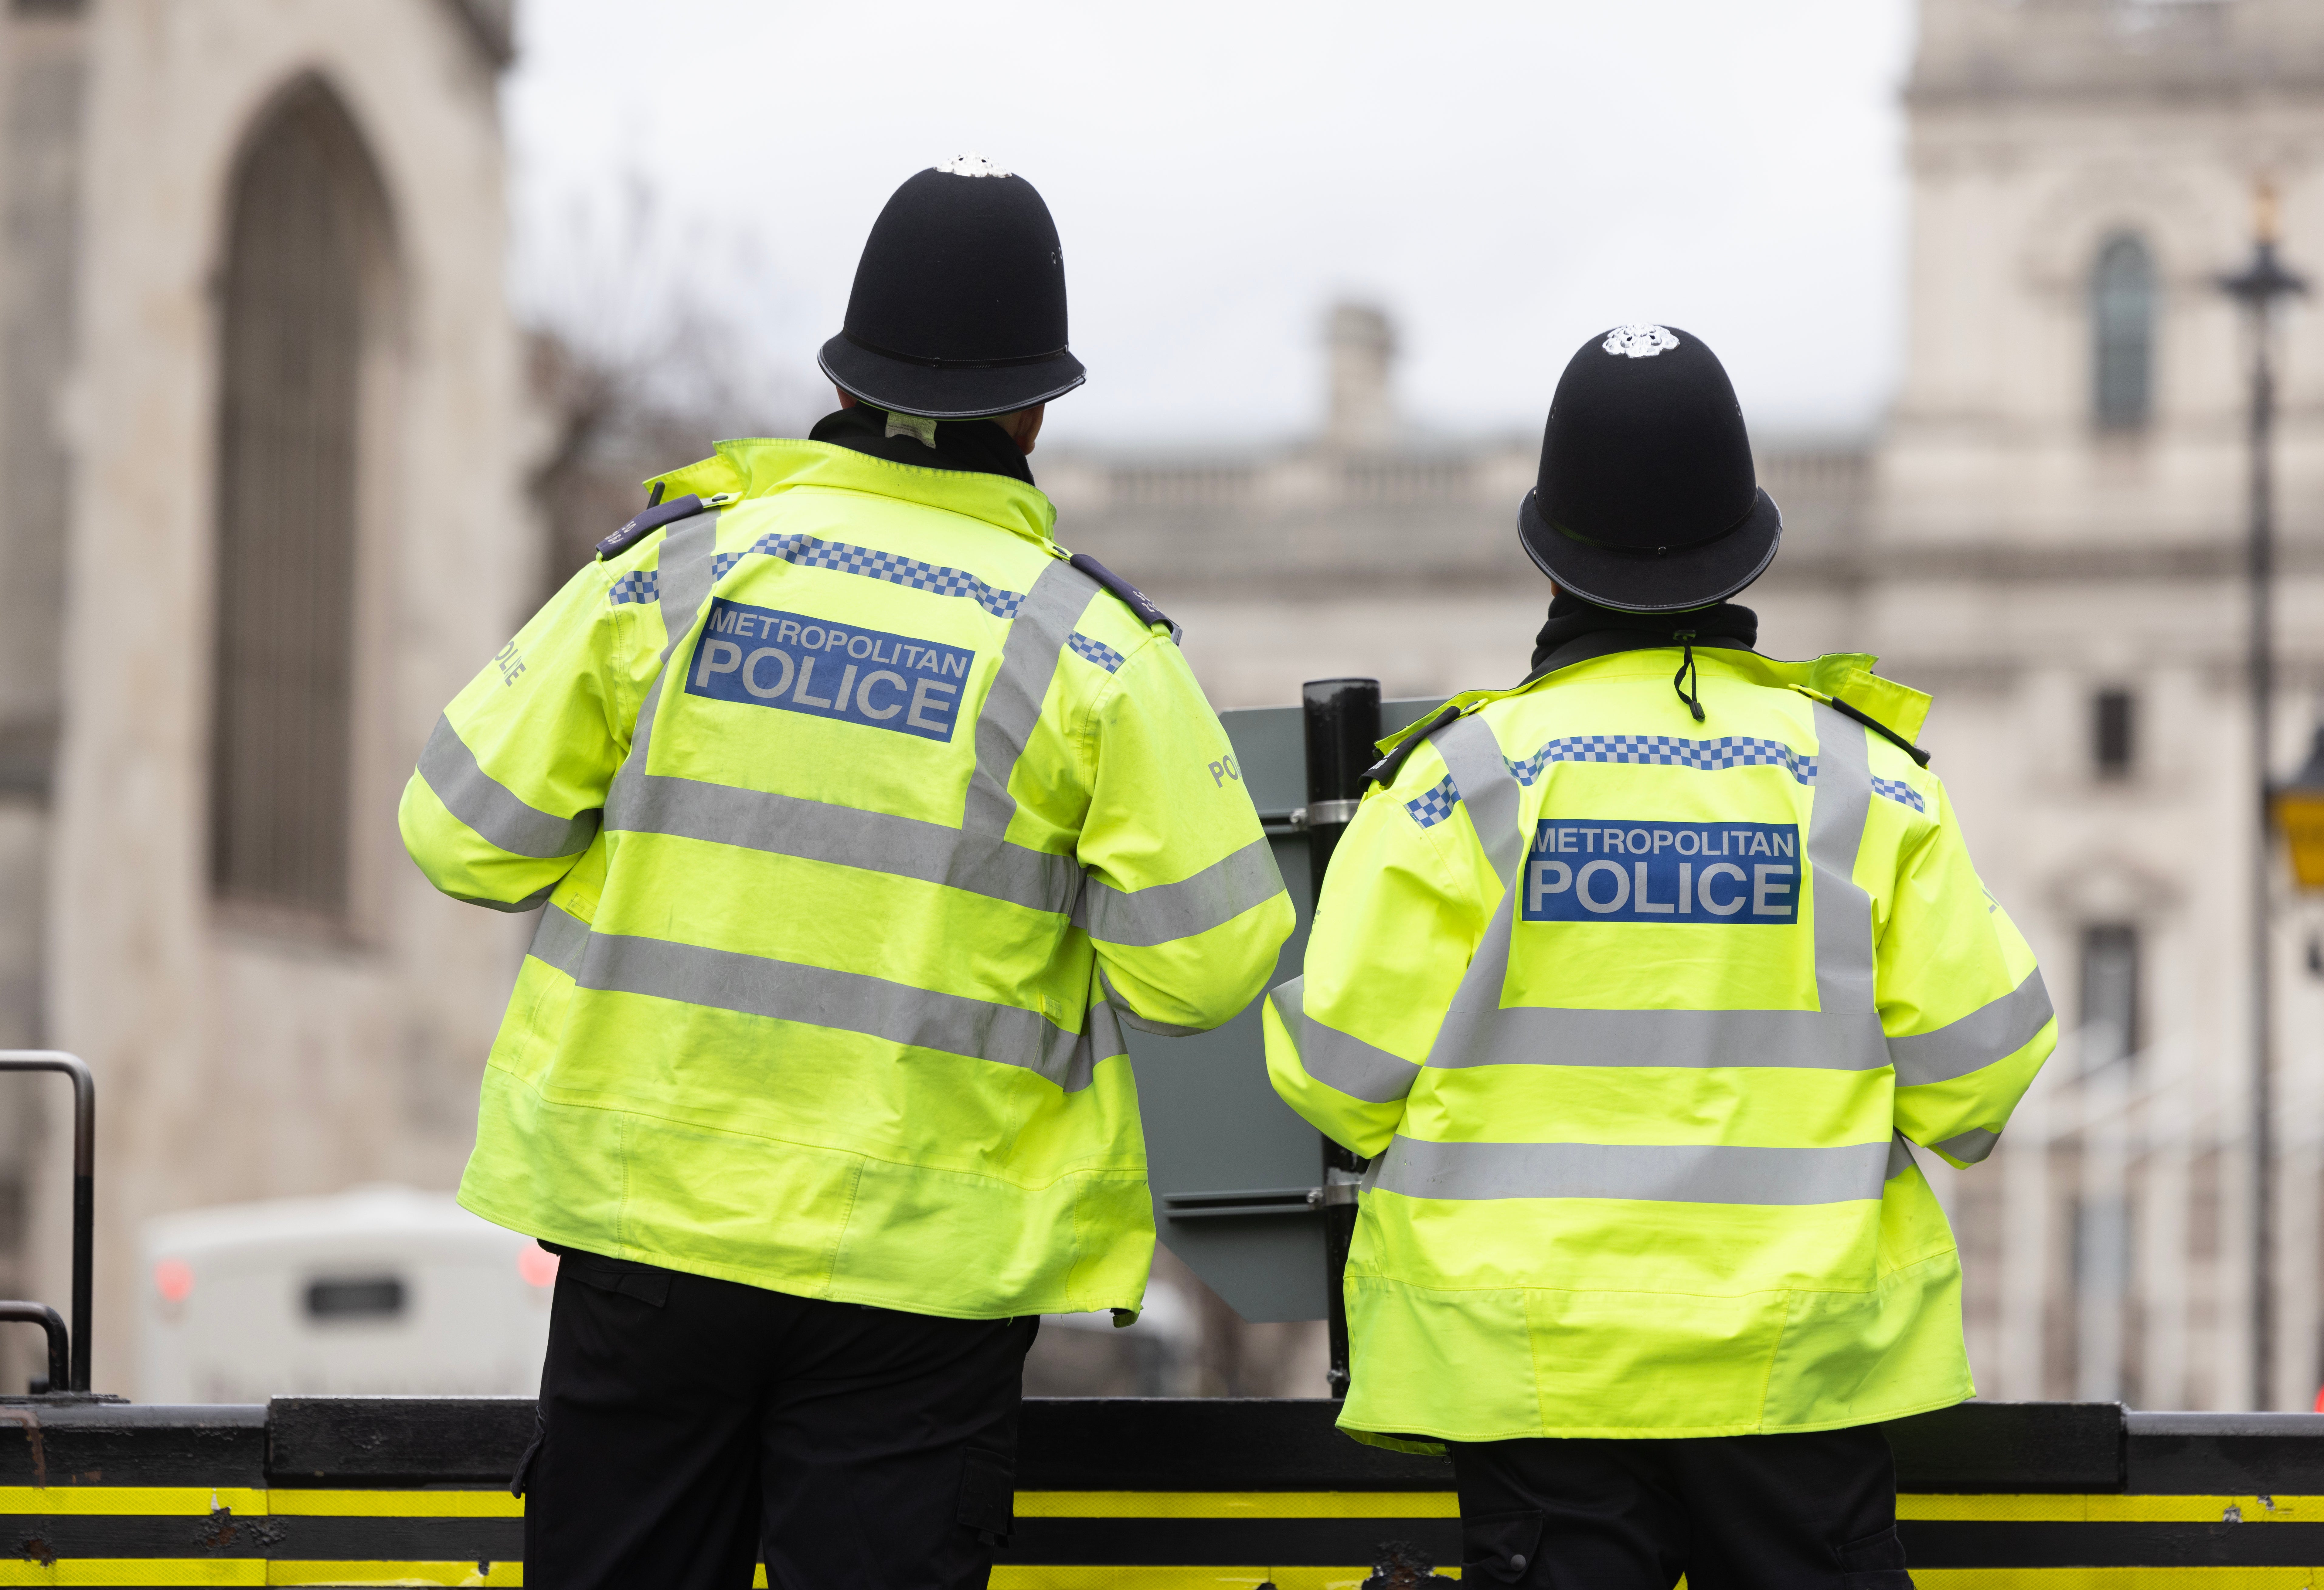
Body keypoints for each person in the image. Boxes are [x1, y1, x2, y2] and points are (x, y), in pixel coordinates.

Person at [401, 155, 1292, 1589]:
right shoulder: (1095, 654)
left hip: (649, 1219)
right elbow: (1207, 967)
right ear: (1035, 406)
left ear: (850, 373)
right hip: (921, 1266)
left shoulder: (671, 576)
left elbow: (457, 830)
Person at [1264, 324, 2054, 1588]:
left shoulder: (1454, 782)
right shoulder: (1862, 779)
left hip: (1528, 1371)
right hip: (1800, 1372)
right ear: (1747, 540)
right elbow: (1978, 1079)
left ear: (1546, 548)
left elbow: (1338, 1075)